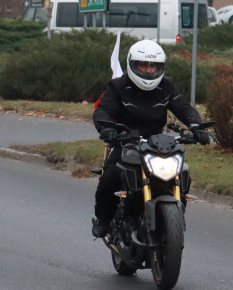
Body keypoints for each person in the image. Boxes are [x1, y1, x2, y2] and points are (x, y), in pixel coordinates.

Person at [90, 39, 211, 238]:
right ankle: (103, 217)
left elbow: (183, 107)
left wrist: (196, 126)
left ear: (160, 66)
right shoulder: (118, 86)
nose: (148, 70)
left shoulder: (166, 86)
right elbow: (102, 110)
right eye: (143, 65)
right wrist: (107, 128)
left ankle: (172, 218)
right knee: (111, 176)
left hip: (157, 143)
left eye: (152, 65)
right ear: (132, 64)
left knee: (182, 172)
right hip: (124, 141)